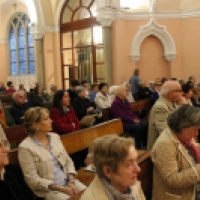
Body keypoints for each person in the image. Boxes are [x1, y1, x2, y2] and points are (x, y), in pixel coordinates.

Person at [18, 107, 86, 200]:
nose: (51, 121)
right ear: (35, 125)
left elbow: (68, 161)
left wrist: (71, 181)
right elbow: (32, 179)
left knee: (89, 195)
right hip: (49, 190)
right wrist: (60, 188)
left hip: (67, 181)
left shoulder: (55, 137)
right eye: (46, 119)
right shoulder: (25, 147)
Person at [151, 105, 200, 200]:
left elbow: (192, 149)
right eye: (195, 129)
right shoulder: (165, 144)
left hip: (191, 190)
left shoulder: (183, 136)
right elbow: (172, 179)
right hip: (177, 196)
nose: (197, 133)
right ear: (183, 126)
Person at [80, 135, 145, 200]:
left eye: (136, 160)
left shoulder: (134, 185)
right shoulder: (92, 198)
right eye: (129, 164)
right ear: (108, 171)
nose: (138, 169)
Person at [147, 80, 182, 150]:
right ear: (171, 93)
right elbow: (166, 132)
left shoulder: (171, 103)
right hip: (162, 149)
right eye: (179, 91)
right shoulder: (160, 107)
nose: (182, 93)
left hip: (173, 144)